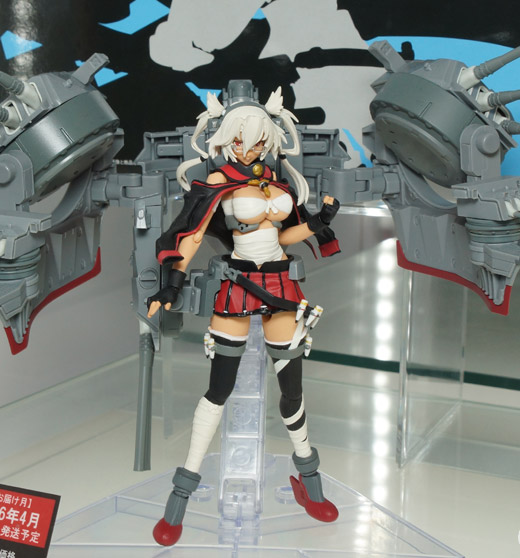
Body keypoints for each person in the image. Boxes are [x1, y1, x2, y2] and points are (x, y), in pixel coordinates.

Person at [147, 84, 341, 546]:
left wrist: (317, 223)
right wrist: (171, 284)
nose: (246, 148)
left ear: (268, 139)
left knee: (291, 390)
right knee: (219, 390)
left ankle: (308, 478)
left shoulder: (277, 182)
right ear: (224, 138)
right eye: (238, 139)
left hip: (281, 285)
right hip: (238, 285)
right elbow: (192, 234)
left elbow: (284, 236)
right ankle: (181, 492)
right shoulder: (219, 183)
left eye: (254, 141)